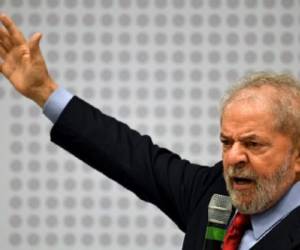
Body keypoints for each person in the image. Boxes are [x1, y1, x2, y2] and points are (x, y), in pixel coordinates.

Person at [1, 14, 300, 250]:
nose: (233, 157)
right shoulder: (214, 193)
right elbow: (130, 155)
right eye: (226, 141)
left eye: (253, 143)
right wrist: (45, 92)